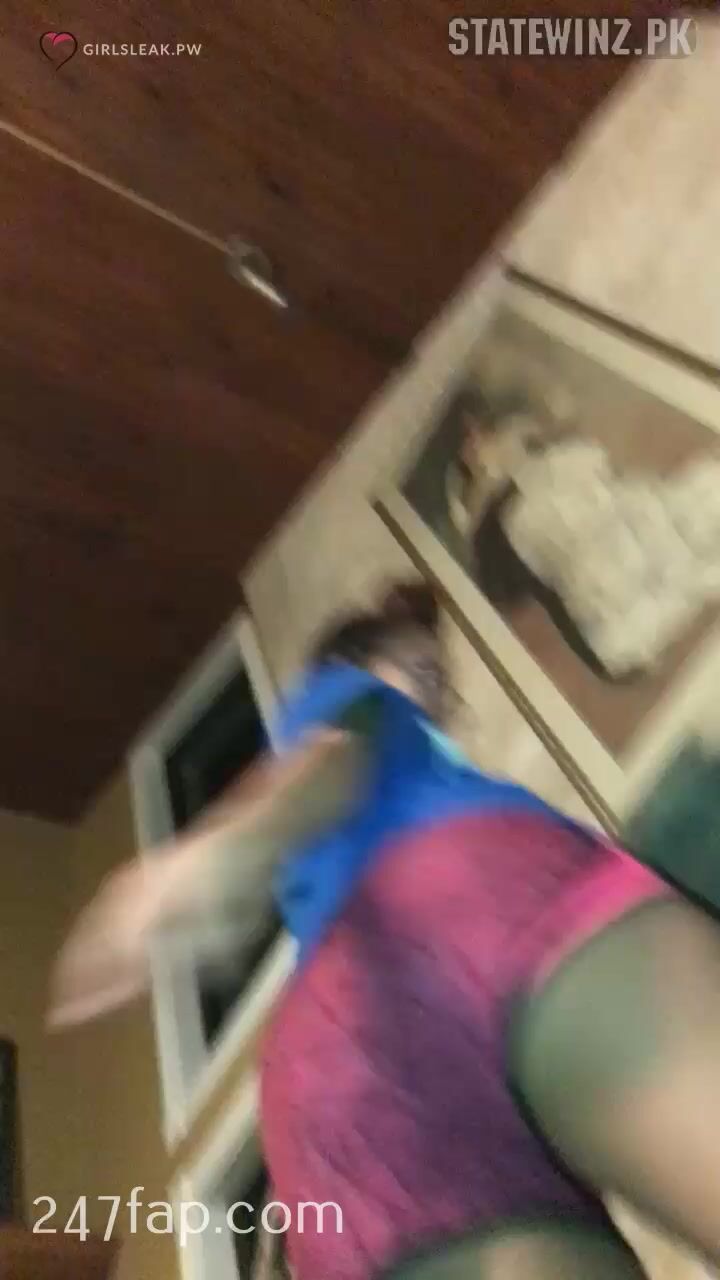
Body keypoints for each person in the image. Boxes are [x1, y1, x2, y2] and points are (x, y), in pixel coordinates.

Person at [50, 583, 720, 1280]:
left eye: (442, 685)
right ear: (353, 667)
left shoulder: (368, 819)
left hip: (337, 1069)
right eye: (422, 673)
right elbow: (342, 750)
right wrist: (224, 854)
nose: (439, 700)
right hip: (473, 900)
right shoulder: (345, 705)